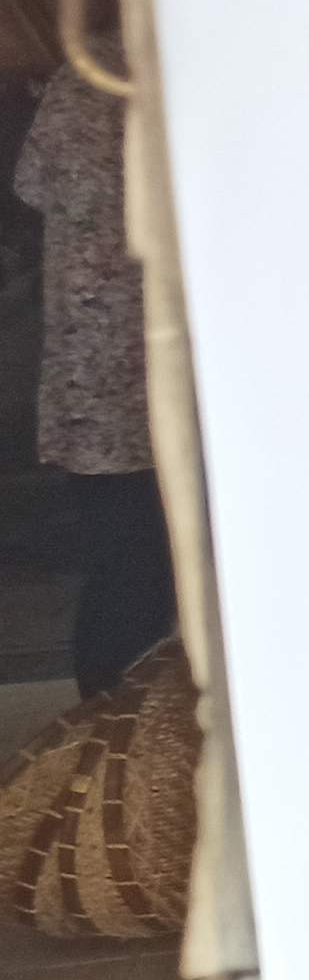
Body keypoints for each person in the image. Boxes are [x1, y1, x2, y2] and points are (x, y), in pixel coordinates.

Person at [19, 69, 169, 694]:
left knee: (127, 571)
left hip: (99, 388)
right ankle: (120, 755)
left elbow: (30, 183)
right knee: (140, 574)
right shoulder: (150, 73)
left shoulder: (76, 81)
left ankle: (107, 756)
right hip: (139, 380)